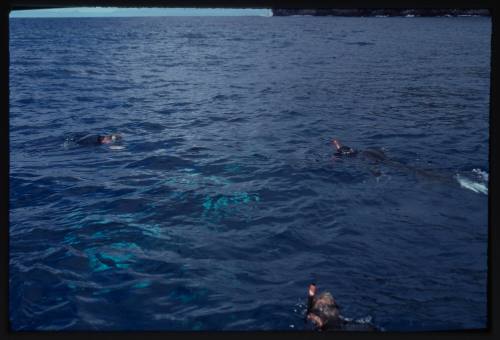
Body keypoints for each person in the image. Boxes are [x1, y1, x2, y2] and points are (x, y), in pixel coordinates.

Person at [306, 283, 378, 331]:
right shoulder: (335, 309)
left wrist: (310, 297)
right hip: (350, 325)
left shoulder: (316, 312)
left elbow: (310, 313)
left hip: (331, 327)